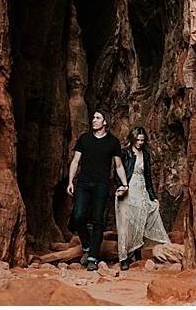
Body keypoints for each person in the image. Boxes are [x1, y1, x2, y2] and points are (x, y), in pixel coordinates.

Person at [67, 110, 130, 271]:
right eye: (93, 117)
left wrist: (125, 184)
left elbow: (119, 165)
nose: (93, 120)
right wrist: (70, 181)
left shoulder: (112, 142)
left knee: (97, 221)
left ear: (105, 122)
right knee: (78, 215)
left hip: (101, 185)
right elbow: (75, 161)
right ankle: (87, 246)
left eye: (97, 118)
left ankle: (92, 258)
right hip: (83, 183)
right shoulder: (84, 139)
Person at [114, 126, 171, 270]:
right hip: (127, 190)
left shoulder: (145, 155)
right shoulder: (124, 153)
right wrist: (120, 186)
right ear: (132, 139)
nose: (140, 143)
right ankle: (124, 257)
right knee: (125, 225)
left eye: (142, 140)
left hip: (141, 191)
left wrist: (153, 196)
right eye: (138, 140)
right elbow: (117, 171)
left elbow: (148, 178)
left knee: (140, 222)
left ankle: (137, 251)